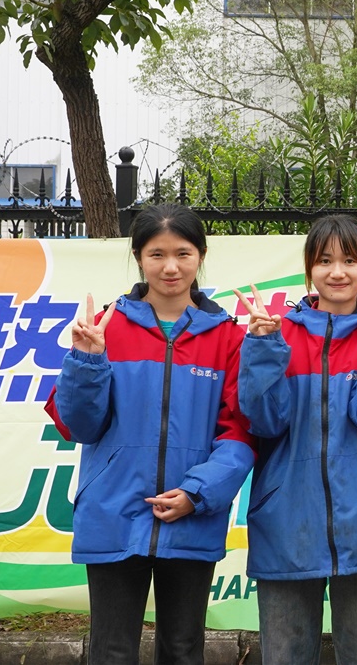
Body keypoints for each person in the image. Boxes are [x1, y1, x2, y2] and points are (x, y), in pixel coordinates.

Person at [45, 203, 255, 664]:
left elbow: (239, 432)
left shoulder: (228, 337)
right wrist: (86, 361)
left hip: (192, 515)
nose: (170, 267)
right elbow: (79, 425)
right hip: (114, 512)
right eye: (157, 254)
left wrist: (197, 493)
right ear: (139, 258)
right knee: (112, 649)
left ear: (201, 256)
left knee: (182, 648)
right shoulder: (107, 325)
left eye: (183, 253)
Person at [234, 214, 357, 664]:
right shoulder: (276, 333)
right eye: (325, 260)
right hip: (285, 525)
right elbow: (265, 421)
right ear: (309, 268)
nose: (337, 272)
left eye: (349, 260)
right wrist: (263, 347)